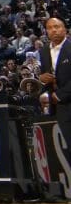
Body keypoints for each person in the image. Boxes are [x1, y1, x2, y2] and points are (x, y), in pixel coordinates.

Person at [36, 17, 69, 147]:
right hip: (58, 107)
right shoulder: (43, 51)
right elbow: (44, 74)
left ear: (65, 29)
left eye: (57, 26)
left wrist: (60, 95)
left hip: (64, 98)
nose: (53, 30)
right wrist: (42, 78)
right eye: (49, 28)